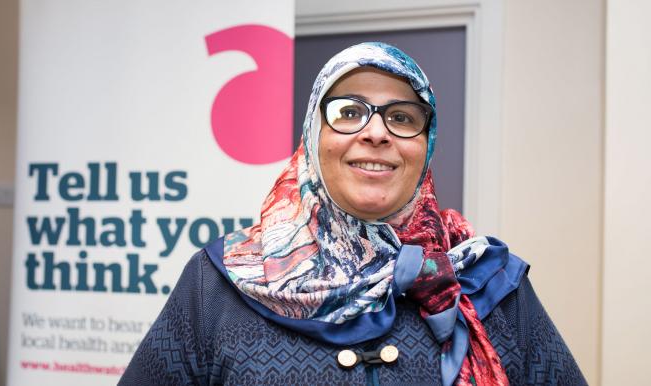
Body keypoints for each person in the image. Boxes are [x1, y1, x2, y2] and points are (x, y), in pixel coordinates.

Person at [119, 42, 586, 386]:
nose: (377, 133)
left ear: (426, 147)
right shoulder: (216, 285)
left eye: (402, 117)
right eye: (349, 112)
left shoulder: (488, 280)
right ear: (313, 136)